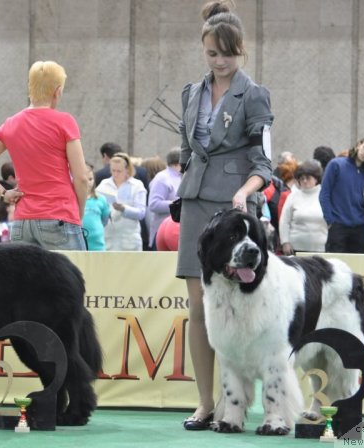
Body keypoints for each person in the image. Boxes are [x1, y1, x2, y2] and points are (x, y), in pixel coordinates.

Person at [176, 1, 273, 430]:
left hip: (235, 210)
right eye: (212, 54)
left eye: (228, 54)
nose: (220, 62)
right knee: (199, 308)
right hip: (196, 206)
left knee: (237, 310)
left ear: (242, 50)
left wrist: (245, 193)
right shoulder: (190, 92)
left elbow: (264, 163)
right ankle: (205, 402)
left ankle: (238, 403)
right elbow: (186, 149)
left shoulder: (254, 94)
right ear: (204, 49)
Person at [0, 60, 88, 250]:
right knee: (70, 279)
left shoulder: (11, 124)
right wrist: (79, 212)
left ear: (30, 88)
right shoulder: (64, 122)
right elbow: (81, 178)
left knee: (25, 281)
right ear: (57, 91)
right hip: (60, 216)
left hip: (22, 221)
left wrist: (4, 194)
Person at [319, 137, 364, 253]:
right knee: (336, 265)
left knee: (357, 268)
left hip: (361, 228)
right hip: (338, 225)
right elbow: (324, 194)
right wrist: (330, 220)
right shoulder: (336, 164)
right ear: (358, 146)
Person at [96, 152, 147, 251]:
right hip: (108, 237)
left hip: (129, 239)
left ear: (127, 169)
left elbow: (141, 213)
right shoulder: (104, 184)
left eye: (119, 171)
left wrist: (124, 208)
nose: (115, 174)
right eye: (113, 170)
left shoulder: (136, 185)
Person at [279, 160, 327, 255]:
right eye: (301, 178)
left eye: (308, 178)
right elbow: (284, 221)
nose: (304, 181)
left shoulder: (324, 196)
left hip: (320, 249)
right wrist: (285, 242)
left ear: (316, 179)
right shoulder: (292, 196)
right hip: (294, 249)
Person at [147, 149, 182, 249]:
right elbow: (154, 204)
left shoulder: (181, 177)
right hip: (161, 233)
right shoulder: (162, 178)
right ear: (178, 163)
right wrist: (178, 205)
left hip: (176, 233)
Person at [82, 163, 109, 251]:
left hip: (97, 243)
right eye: (85, 179)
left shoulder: (101, 199)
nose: (88, 182)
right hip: (79, 242)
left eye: (90, 179)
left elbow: (104, 220)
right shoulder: (73, 199)